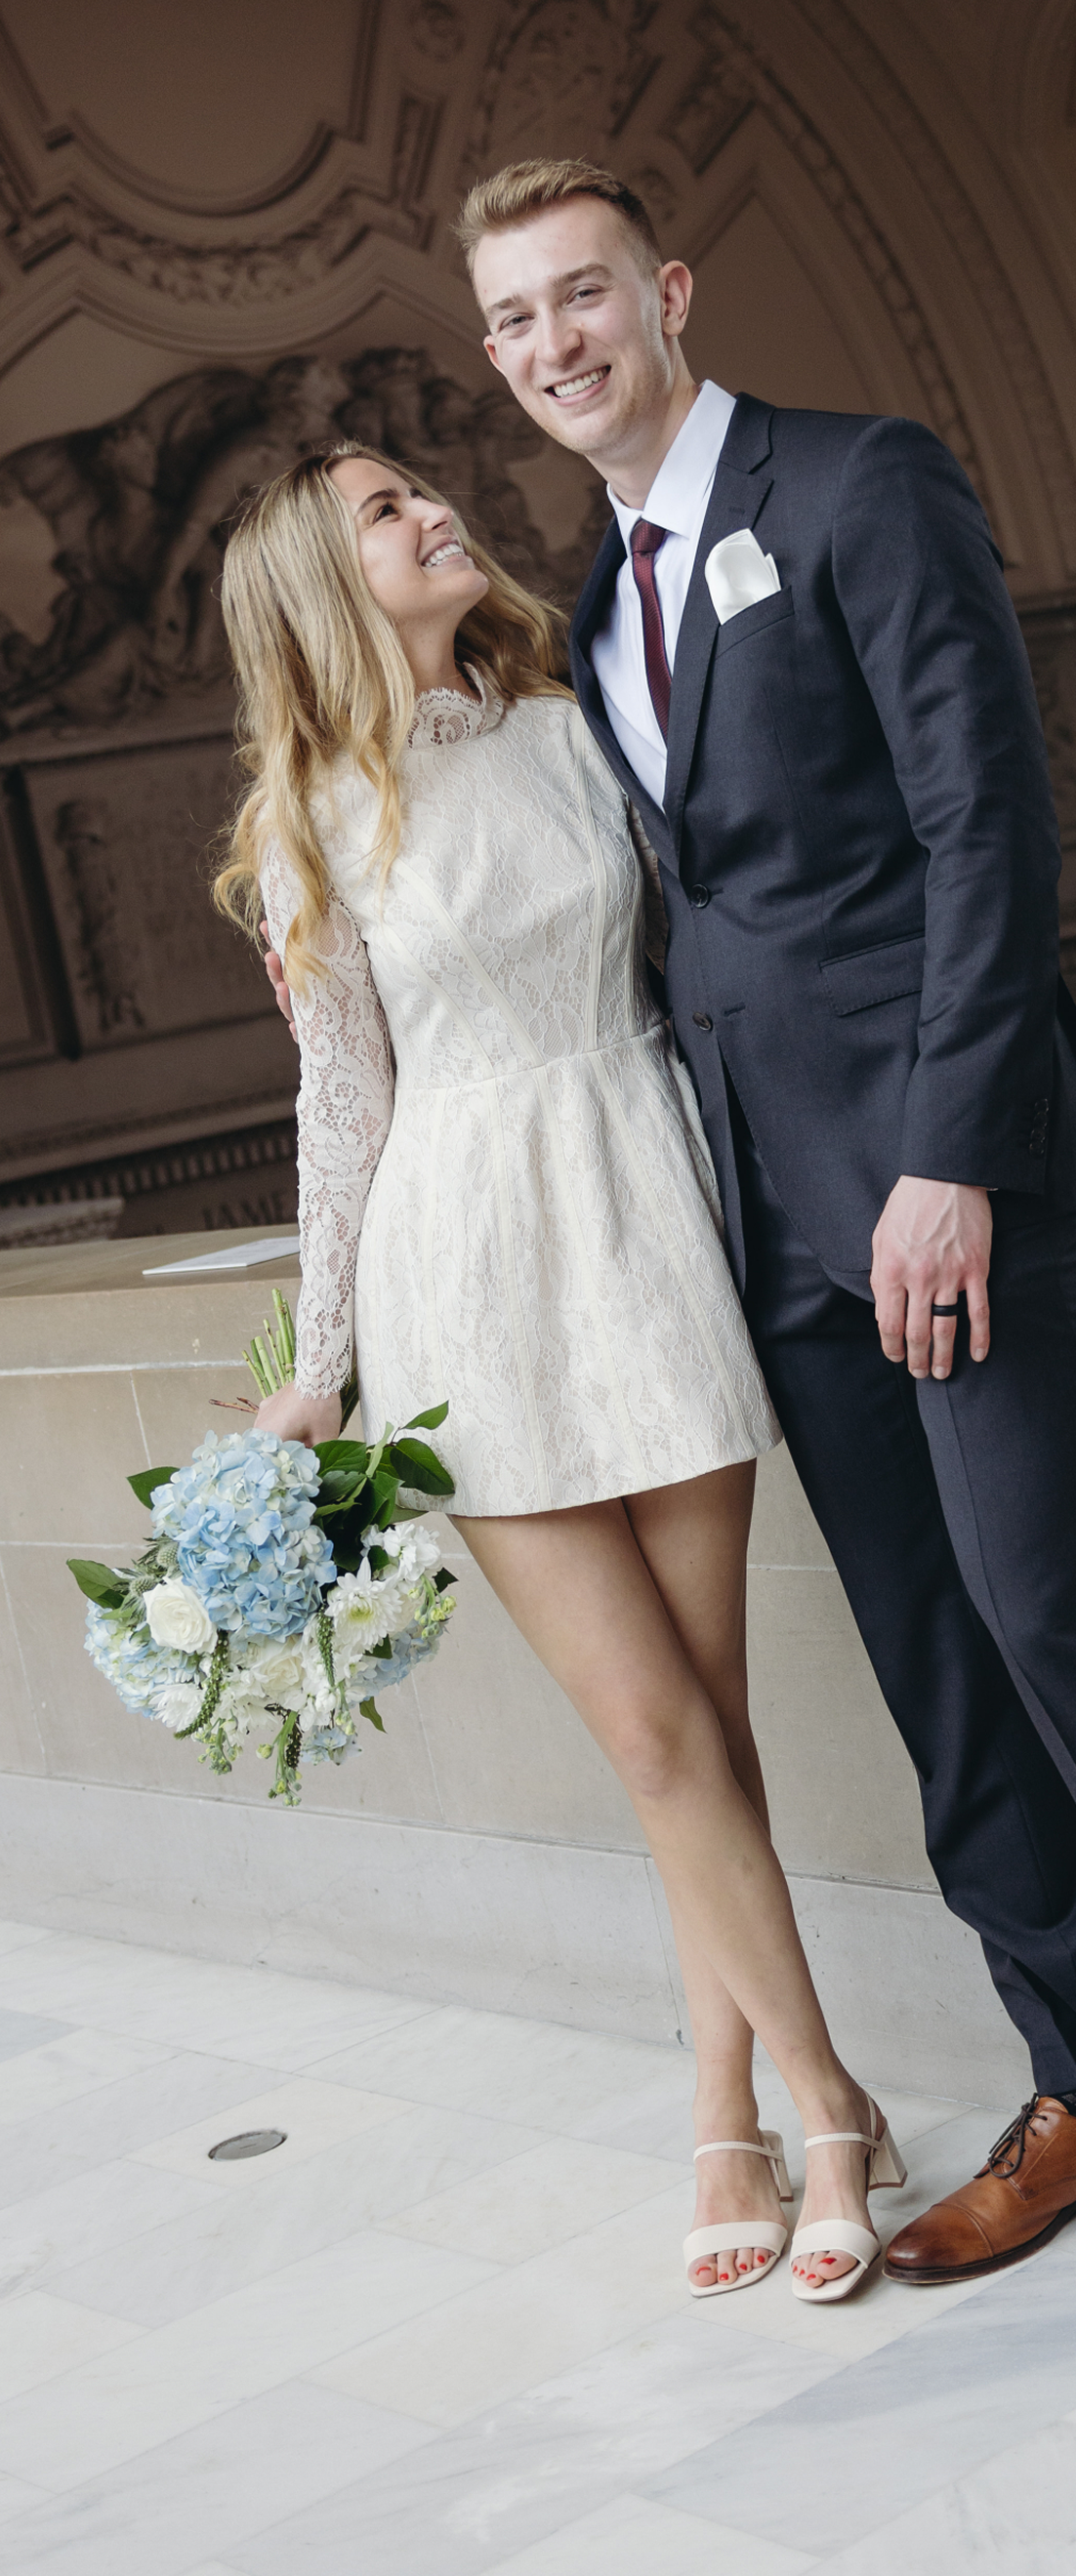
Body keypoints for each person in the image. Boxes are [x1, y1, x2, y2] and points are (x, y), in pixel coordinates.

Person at [450, 152, 1076, 2287]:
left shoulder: (853, 484)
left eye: (582, 293)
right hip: (771, 1239)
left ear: (670, 289)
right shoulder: (582, 604)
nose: (554, 342)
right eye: (515, 320)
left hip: (949, 1196)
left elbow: (986, 823)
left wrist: (953, 1150)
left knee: (1052, 1616)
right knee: (940, 1685)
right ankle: (1071, 2082)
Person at [217, 443, 907, 2302]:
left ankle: (725, 2111)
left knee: (715, 1724)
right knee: (649, 1734)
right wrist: (327, 1366)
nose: (430, 505)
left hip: (643, 1215)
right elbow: (344, 1099)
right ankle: (825, 2100)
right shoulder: (308, 824)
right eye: (380, 510)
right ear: (318, 583)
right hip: (463, 1269)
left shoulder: (574, 721)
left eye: (416, 482)